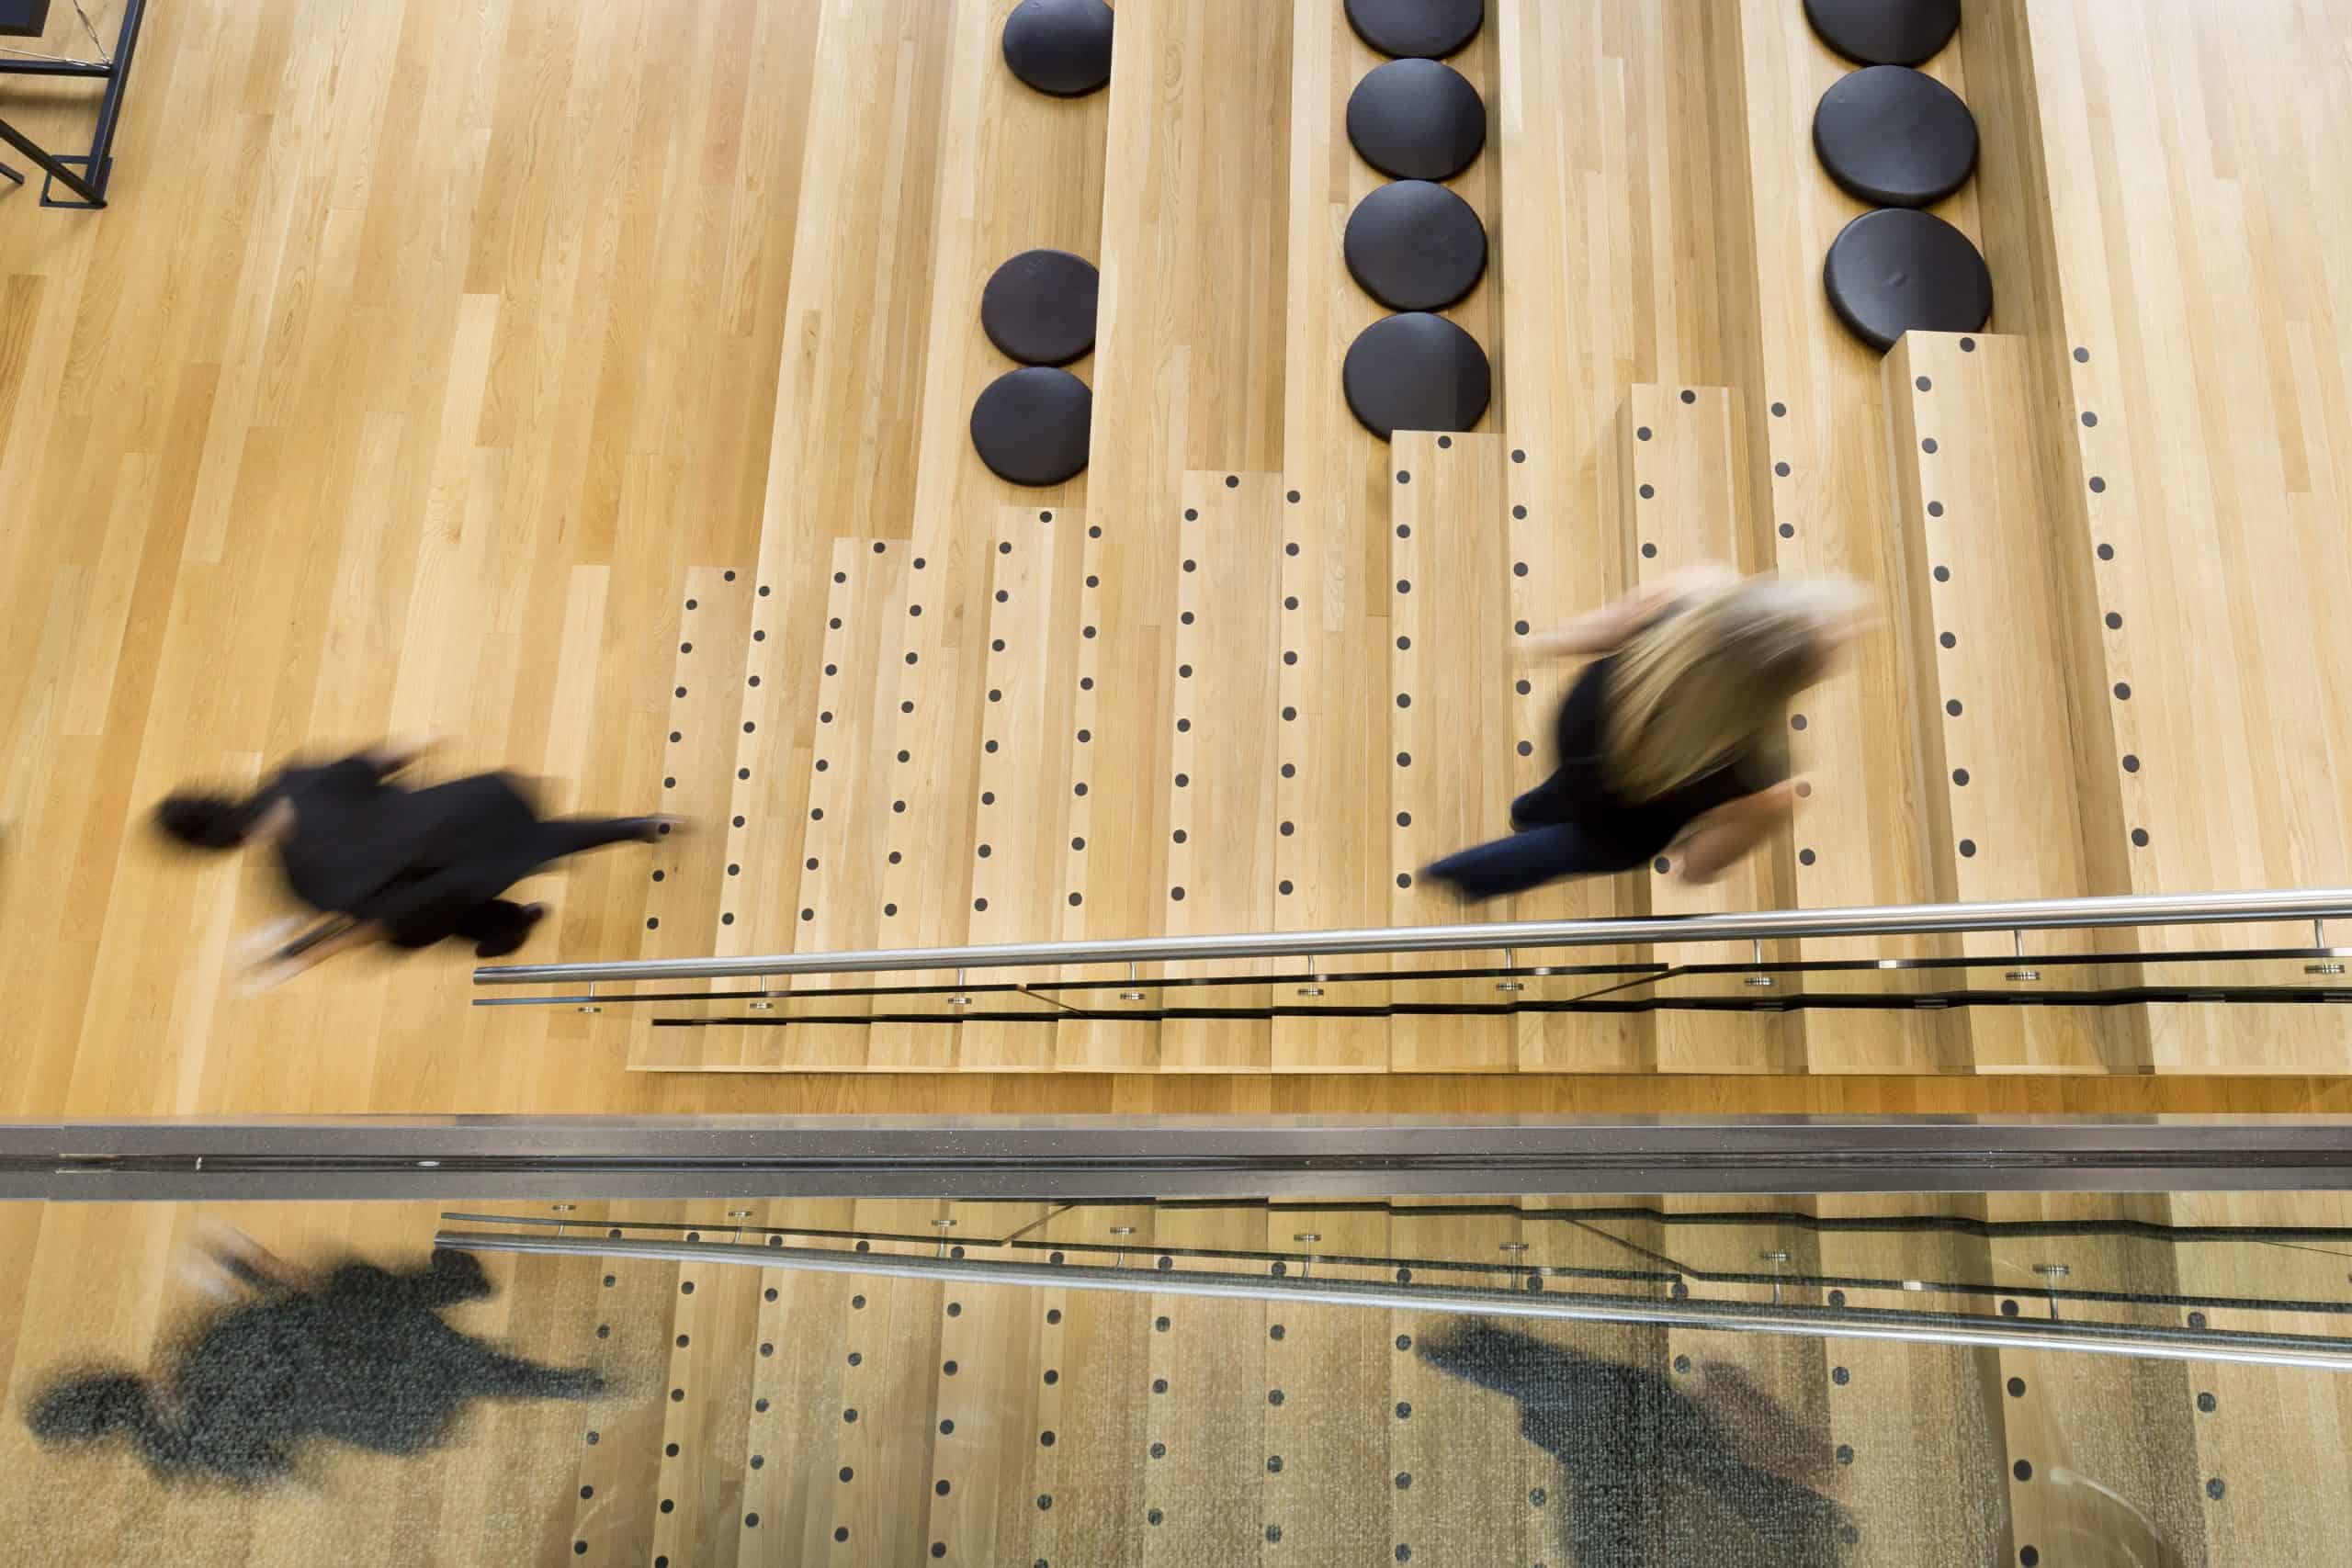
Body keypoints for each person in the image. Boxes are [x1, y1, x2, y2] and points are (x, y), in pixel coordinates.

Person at [1422, 566, 1862, 901]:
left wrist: (1541, 643)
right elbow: (1700, 864)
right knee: (1566, 849)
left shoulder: (1700, 588)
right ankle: (1458, 876)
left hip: (1583, 728)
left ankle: (1529, 810)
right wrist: (1692, 872)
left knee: (1575, 786)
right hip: (1630, 815)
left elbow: (1611, 624)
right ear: (1796, 681)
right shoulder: (1769, 774)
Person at [26, 1234, 606, 1484]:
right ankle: (461, 1285)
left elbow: (278, 1472)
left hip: (384, 1415)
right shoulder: (196, 1344)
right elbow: (300, 1295)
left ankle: (578, 1384)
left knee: (473, 1368)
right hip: (383, 1348)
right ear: (102, 1376)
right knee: (348, 1286)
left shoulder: (171, 1452)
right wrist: (247, 1264)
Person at [154, 739, 675, 984]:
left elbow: (376, 923)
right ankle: (640, 826)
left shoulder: (300, 880)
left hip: (443, 880)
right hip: (457, 816)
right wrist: (423, 753)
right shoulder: (295, 780)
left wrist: (307, 957)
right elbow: (381, 759)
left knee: (447, 919)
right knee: (542, 838)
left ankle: (515, 922)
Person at [1418, 1320, 1853, 1565]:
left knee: (1618, 1403)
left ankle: (1463, 1344)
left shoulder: (1808, 1525)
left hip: (1629, 1520)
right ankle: (1468, 1347)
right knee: (1625, 1404)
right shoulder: (1811, 1526)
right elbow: (1793, 1456)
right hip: (1659, 1478)